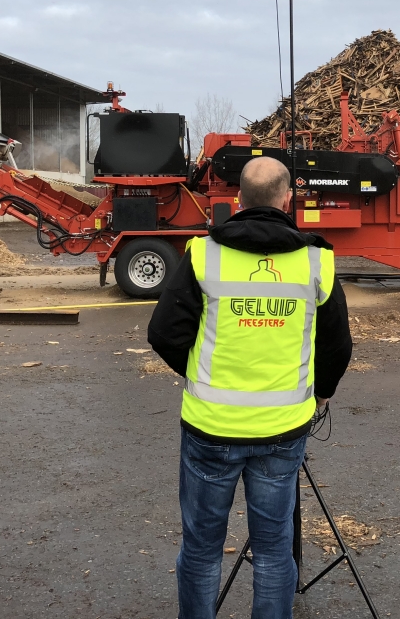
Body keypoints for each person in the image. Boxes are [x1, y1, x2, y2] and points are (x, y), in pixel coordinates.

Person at [147, 156, 353, 619]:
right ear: (288, 200)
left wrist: (201, 375)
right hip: (282, 434)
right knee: (275, 550)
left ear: (237, 200)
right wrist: (321, 392)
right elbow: (337, 346)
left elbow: (164, 333)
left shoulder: (203, 254)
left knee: (201, 548)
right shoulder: (316, 261)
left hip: (210, 430)